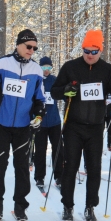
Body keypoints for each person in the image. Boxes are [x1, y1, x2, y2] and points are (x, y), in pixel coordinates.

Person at [51, 30, 111, 221]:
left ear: (100, 51)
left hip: (96, 127)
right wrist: (66, 91)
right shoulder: (70, 67)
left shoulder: (107, 70)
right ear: (83, 49)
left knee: (94, 168)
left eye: (94, 51)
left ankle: (90, 207)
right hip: (73, 126)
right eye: (87, 50)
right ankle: (67, 206)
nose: (90, 54)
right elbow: (54, 91)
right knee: (70, 167)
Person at [0, 29, 46, 221]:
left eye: (35, 48)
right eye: (28, 46)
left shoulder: (36, 70)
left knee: (22, 167)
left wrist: (39, 115)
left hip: (23, 126)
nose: (32, 51)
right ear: (18, 44)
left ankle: (20, 207)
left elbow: (39, 98)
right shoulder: (3, 63)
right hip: (2, 123)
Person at [32, 56, 62, 193]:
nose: (46, 70)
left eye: (48, 68)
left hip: (55, 121)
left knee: (58, 149)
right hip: (41, 122)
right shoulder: (36, 80)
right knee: (40, 150)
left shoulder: (54, 80)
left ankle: (59, 176)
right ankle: (39, 177)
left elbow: (62, 93)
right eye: (44, 67)